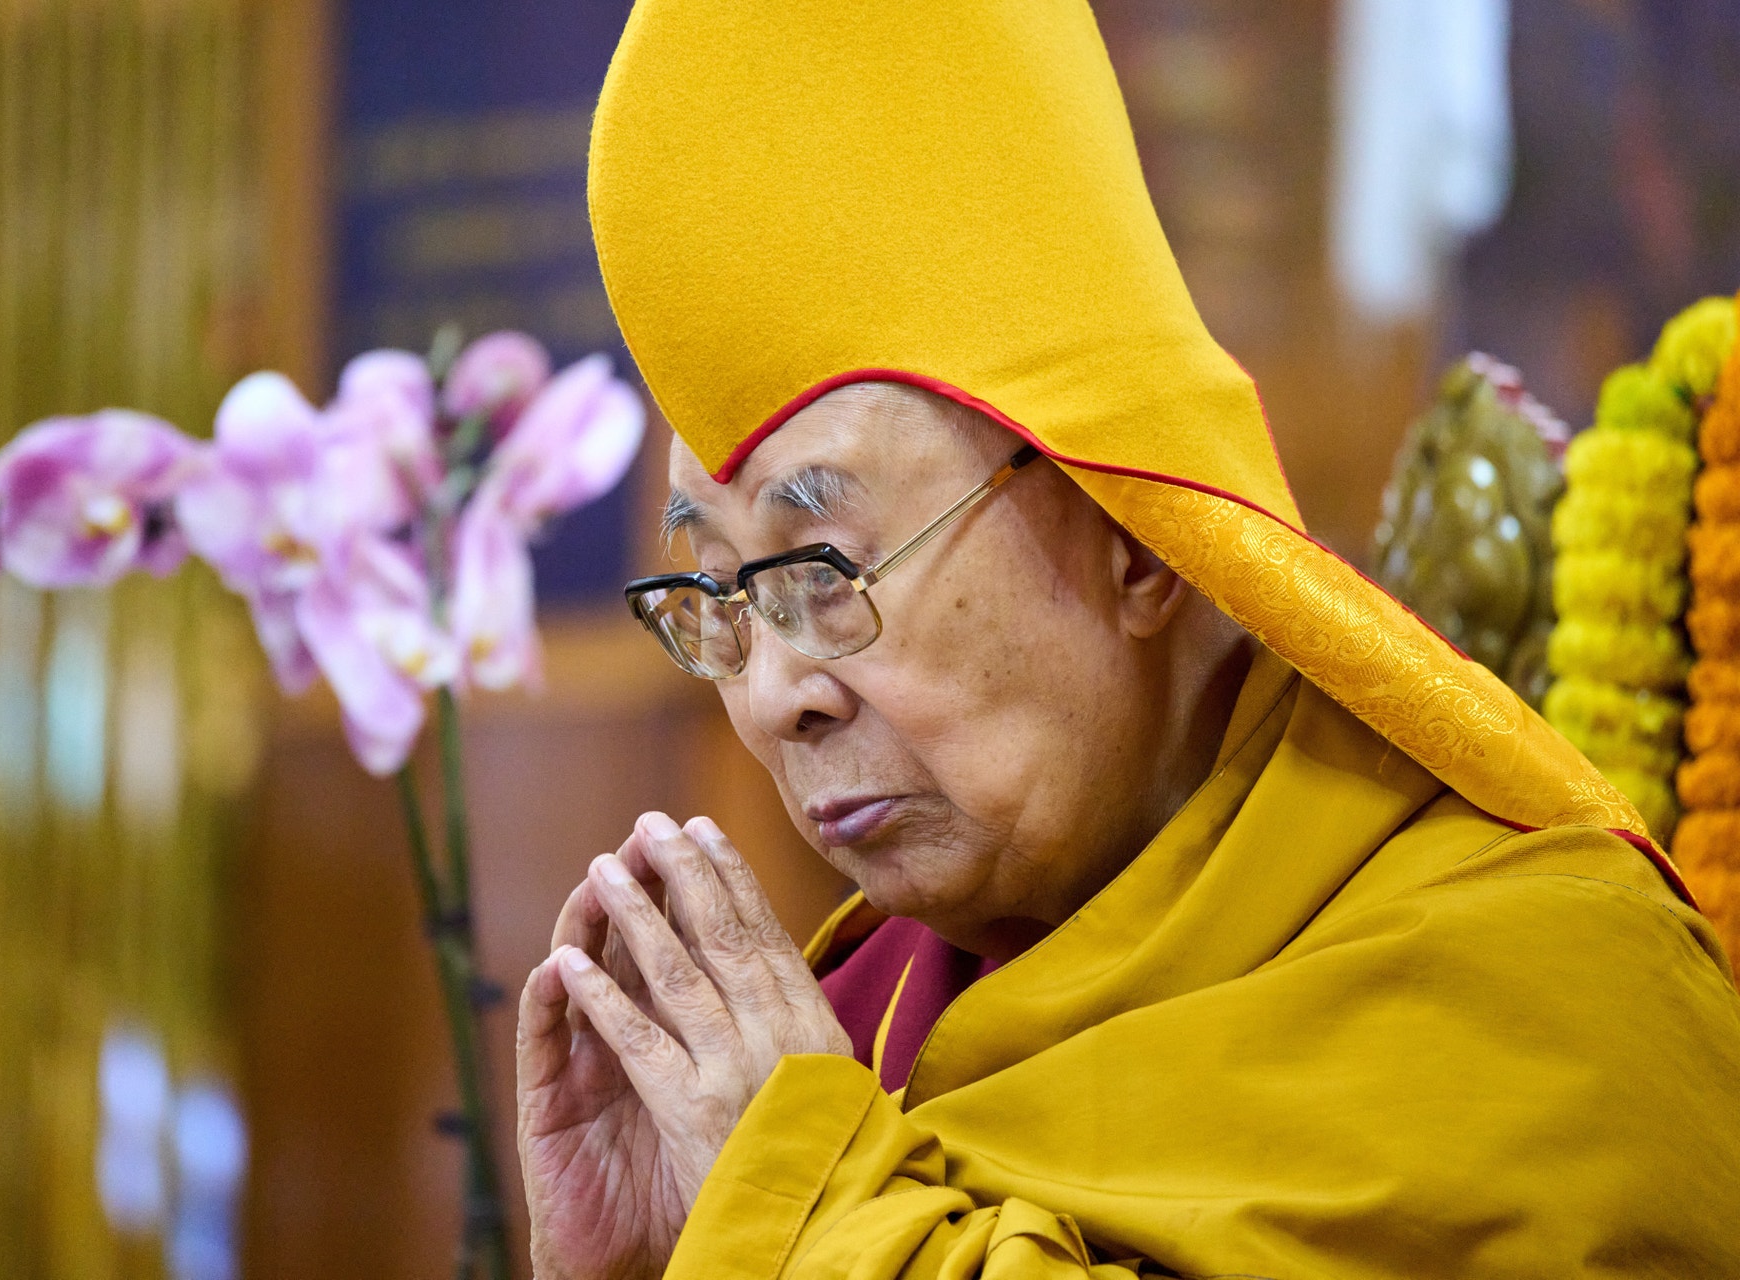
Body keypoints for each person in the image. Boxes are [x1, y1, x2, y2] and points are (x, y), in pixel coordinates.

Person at [514, 2, 1740, 1276]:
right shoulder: (851, 1031)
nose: (776, 695)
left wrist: (808, 1222)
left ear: (1136, 538)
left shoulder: (1542, 1006)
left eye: (823, 569)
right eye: (719, 595)